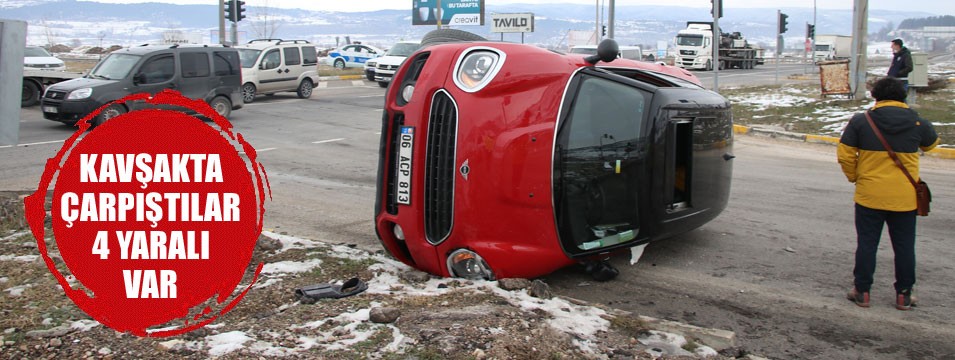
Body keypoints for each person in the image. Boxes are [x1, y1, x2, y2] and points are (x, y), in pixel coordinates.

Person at [837, 77, 939, 310]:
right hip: (904, 198)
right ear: (903, 97)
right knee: (904, 246)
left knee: (867, 243)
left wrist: (856, 177)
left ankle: (862, 291)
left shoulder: (861, 122)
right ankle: (904, 294)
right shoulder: (916, 122)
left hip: (869, 195)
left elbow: (845, 154)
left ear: (875, 96)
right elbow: (931, 145)